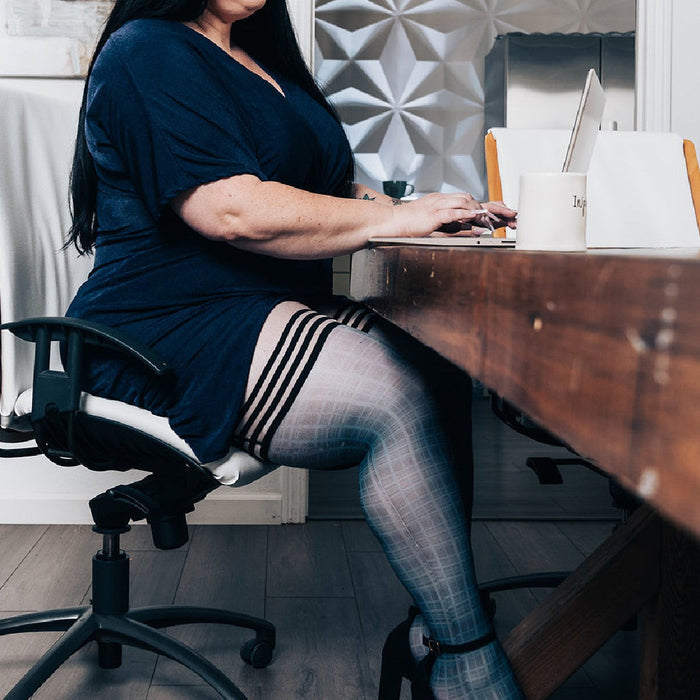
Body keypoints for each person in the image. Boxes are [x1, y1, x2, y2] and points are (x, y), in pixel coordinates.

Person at [66, 1, 521, 698]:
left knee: (439, 360)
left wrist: (436, 211)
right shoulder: (146, 50)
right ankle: (466, 661)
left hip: (255, 308)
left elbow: (330, 186)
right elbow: (232, 209)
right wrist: (394, 218)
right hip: (160, 325)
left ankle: (431, 634)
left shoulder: (262, 61)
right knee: (388, 397)